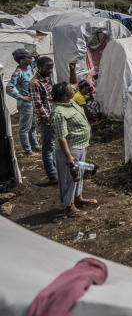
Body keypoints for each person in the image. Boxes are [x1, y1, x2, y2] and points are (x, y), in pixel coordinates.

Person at [50, 81, 97, 217]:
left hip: (80, 145)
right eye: (70, 89)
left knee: (79, 174)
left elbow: (75, 82)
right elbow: (61, 136)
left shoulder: (70, 102)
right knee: (69, 177)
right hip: (70, 149)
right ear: (64, 95)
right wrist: (68, 155)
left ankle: (78, 198)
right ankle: (69, 206)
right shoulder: (59, 112)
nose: (73, 89)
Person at [30, 56, 58, 183]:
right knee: (47, 148)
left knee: (55, 146)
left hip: (53, 117)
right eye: (48, 68)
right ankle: (52, 175)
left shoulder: (48, 78)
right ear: (39, 67)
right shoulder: (34, 83)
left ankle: (56, 170)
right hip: (46, 120)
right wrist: (49, 119)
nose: (50, 70)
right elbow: (38, 105)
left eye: (51, 68)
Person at [5, 49, 39, 155]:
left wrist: (37, 57)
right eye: (29, 57)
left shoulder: (29, 66)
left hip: (32, 102)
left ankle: (35, 146)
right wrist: (21, 97)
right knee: (24, 128)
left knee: (32, 126)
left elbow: (36, 63)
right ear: (22, 60)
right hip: (25, 104)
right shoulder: (18, 73)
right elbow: (9, 88)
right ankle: (28, 150)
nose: (31, 59)